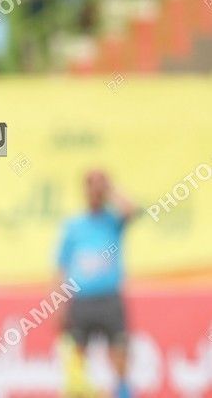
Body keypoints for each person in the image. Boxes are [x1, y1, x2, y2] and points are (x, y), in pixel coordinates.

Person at [57, 169, 139, 398]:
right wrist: (58, 304)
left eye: (99, 184)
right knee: (77, 358)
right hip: (81, 301)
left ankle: (123, 393)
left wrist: (109, 190)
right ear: (84, 189)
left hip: (109, 299)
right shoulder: (74, 225)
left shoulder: (112, 221)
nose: (95, 189)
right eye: (91, 184)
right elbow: (61, 266)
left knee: (120, 354)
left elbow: (132, 210)